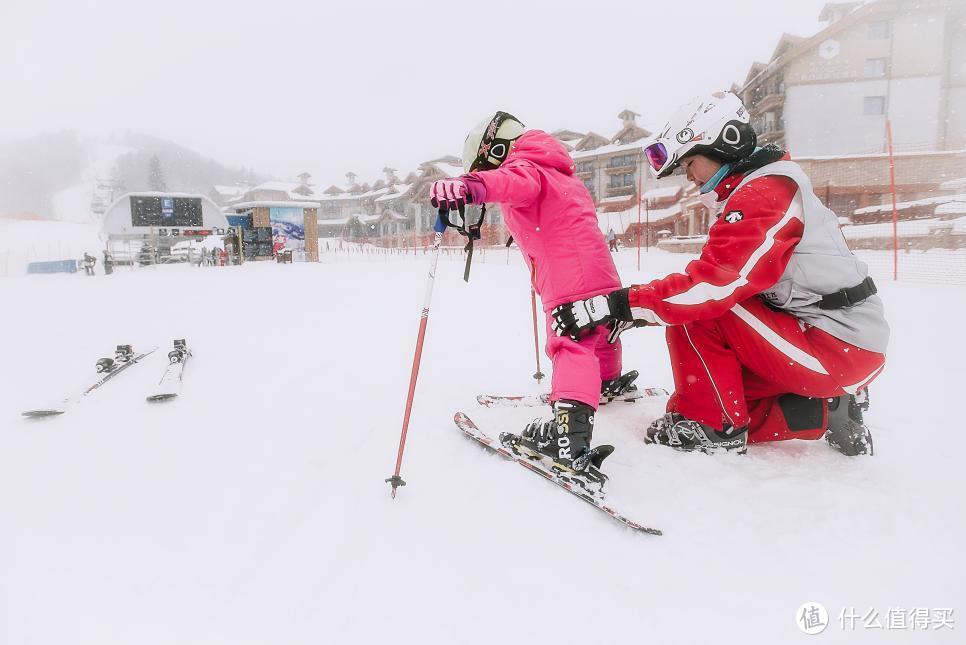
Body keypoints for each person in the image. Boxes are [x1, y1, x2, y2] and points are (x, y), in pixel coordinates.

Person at [550, 91, 889, 456]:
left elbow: (713, 284)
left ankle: (713, 428)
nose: (690, 177)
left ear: (723, 144)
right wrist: (637, 311)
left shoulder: (764, 193)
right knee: (724, 389)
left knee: (700, 313)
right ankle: (824, 409)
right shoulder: (759, 188)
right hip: (826, 338)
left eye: (691, 163)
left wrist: (621, 305)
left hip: (836, 344)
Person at [430, 111, 638, 473]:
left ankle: (567, 437)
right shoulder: (558, 171)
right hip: (600, 272)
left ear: (496, 151)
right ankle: (604, 381)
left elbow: (512, 183)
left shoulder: (526, 167)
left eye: (484, 163)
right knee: (598, 332)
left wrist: (470, 186)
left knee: (571, 339)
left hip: (569, 276)